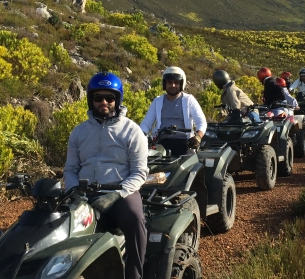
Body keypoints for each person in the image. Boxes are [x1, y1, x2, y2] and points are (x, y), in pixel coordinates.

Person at [64, 72, 149, 279]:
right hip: (85, 194)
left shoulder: (132, 131)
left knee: (136, 219)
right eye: (98, 98)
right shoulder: (79, 132)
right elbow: (70, 169)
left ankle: (134, 275)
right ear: (90, 100)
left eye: (109, 98)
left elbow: (139, 172)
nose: (104, 102)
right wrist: (75, 192)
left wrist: (117, 194)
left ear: (117, 100)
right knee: (60, 226)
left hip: (121, 193)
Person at [140, 66, 207, 149]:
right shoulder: (157, 101)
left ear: (182, 83)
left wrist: (197, 138)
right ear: (164, 83)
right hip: (160, 144)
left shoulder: (189, 100)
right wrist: (141, 136)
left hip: (185, 144)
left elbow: (201, 122)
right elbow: (146, 123)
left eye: (176, 82)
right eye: (169, 82)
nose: (173, 85)